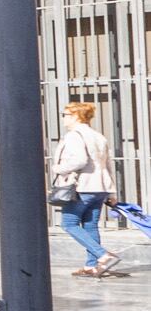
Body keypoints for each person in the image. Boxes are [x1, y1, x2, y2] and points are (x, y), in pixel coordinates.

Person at [53, 101, 120, 277]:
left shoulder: (74, 135)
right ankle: (92, 266)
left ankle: (103, 255)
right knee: (90, 225)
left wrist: (58, 169)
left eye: (65, 115)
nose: (64, 118)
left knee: (69, 224)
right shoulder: (99, 136)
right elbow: (108, 165)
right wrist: (112, 192)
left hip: (83, 186)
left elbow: (79, 160)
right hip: (101, 187)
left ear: (75, 116)